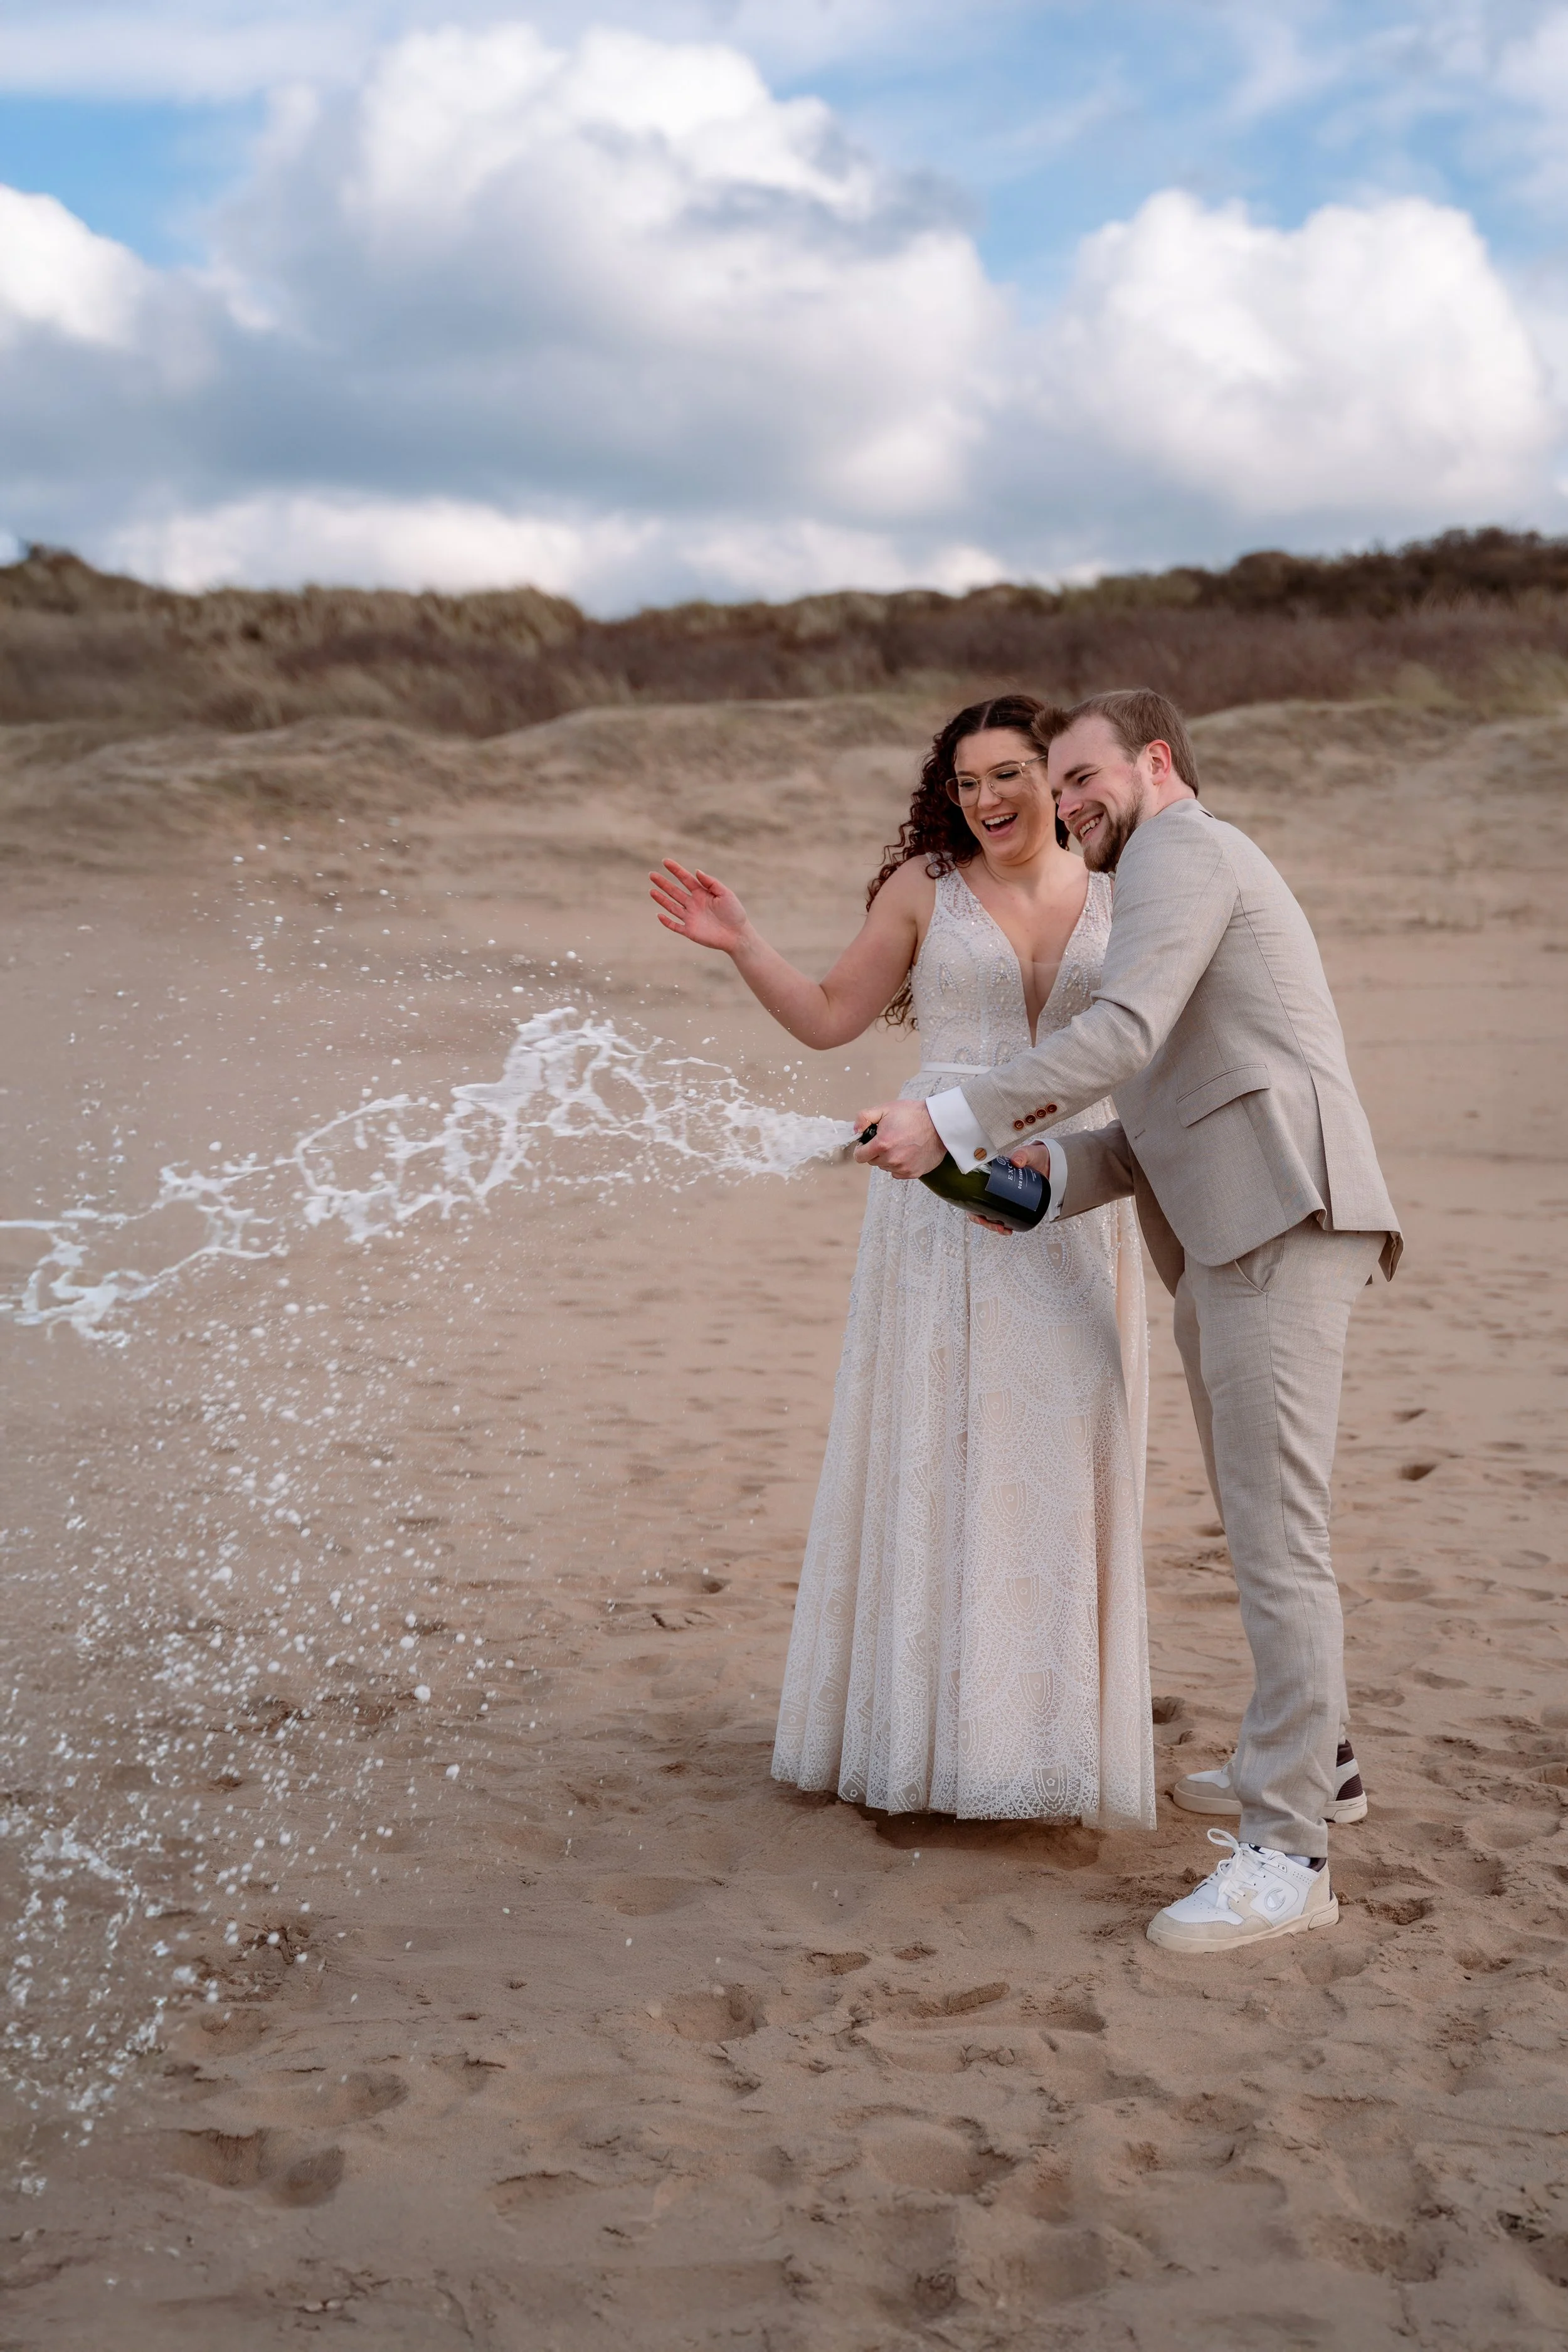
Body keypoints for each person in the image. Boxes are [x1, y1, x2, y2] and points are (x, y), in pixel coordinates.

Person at [857, 687, 1400, 1952]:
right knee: (1265, 1523)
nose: (1068, 799)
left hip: (1281, 1216)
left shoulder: (1182, 850)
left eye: (1084, 774)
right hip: (1234, 1223)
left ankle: (1287, 1852)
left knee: (1277, 1540)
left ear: (1155, 763)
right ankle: (1319, 1762)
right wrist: (1041, 1185)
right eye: (1063, 784)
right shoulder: (1164, 877)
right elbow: (1163, 1101)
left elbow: (1125, 1034)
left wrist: (957, 1117)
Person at [650, 695, 1155, 1830]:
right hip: (935, 1189)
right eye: (967, 781)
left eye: (1012, 774)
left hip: (1079, 1192)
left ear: (1060, 776)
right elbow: (833, 1016)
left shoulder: (1127, 894)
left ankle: (1040, 1741)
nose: (986, 801)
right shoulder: (925, 886)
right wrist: (744, 944)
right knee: (945, 1438)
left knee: (1064, 1444)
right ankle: (931, 1740)